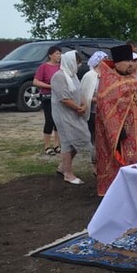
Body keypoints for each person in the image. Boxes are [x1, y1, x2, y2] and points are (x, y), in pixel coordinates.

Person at [95, 45, 137, 196]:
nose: (131, 64)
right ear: (117, 63)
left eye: (132, 61)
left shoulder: (132, 79)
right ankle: (122, 191)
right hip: (121, 131)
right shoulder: (109, 82)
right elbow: (106, 108)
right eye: (127, 61)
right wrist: (118, 131)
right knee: (125, 160)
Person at [51, 50, 92, 185]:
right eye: (77, 62)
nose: (79, 65)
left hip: (76, 113)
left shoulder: (73, 76)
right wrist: (77, 107)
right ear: (70, 62)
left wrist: (84, 105)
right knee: (68, 141)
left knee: (82, 137)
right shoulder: (59, 76)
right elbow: (63, 98)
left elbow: (80, 92)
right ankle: (68, 174)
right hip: (63, 114)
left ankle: (63, 167)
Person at [33, 45, 62, 155]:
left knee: (58, 122)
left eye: (60, 53)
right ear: (50, 55)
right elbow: (35, 82)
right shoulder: (44, 67)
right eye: (56, 54)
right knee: (49, 120)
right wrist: (50, 86)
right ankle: (47, 146)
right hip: (47, 97)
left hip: (59, 97)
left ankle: (57, 145)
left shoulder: (61, 67)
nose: (59, 56)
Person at [80, 51, 107, 147]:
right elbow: (84, 95)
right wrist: (94, 99)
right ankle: (94, 152)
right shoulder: (89, 75)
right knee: (93, 133)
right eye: (104, 60)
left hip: (105, 110)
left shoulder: (107, 75)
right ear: (98, 62)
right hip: (93, 111)